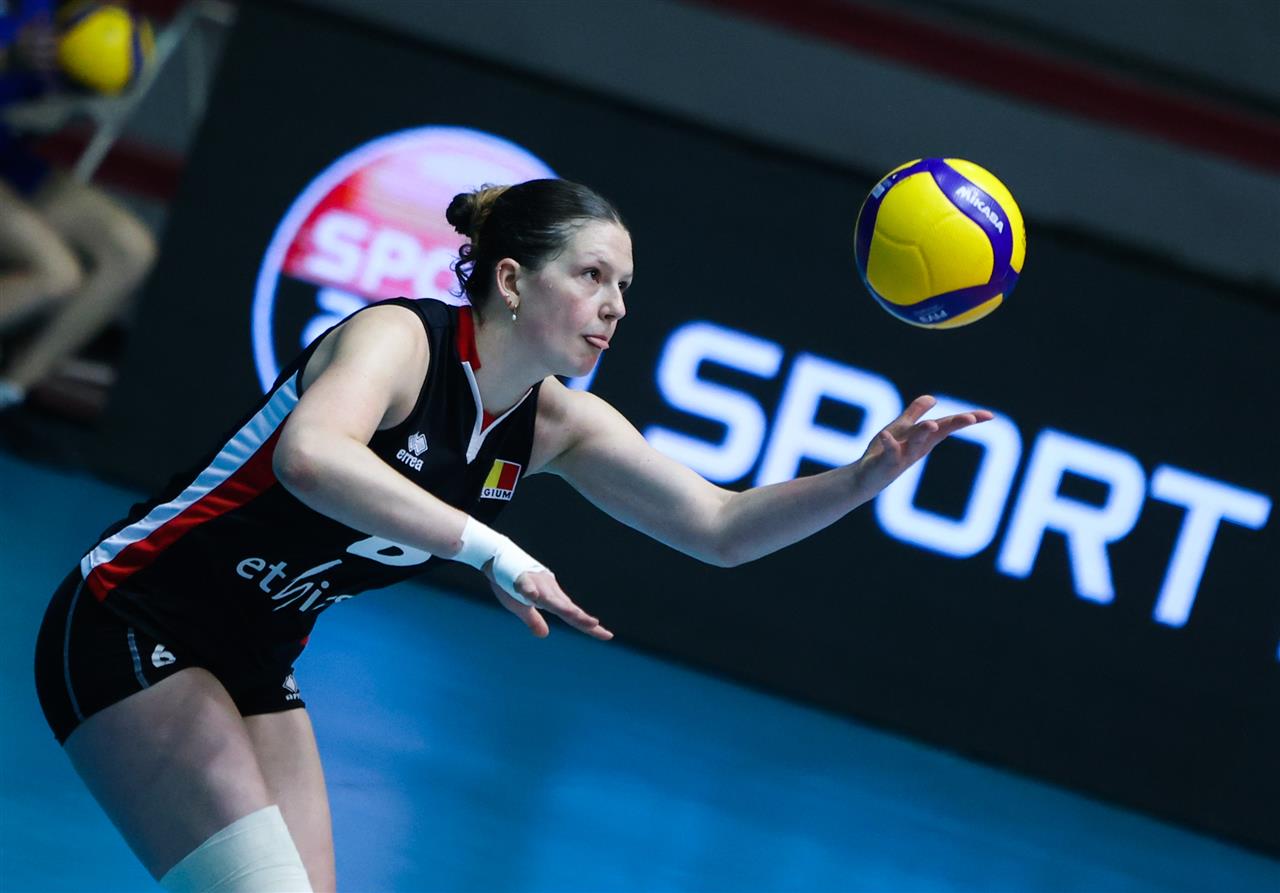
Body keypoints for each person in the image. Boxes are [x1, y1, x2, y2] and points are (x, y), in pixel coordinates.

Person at [34, 178, 992, 892]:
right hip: (130, 615)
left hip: (252, 659)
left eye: (625, 284)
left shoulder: (555, 424)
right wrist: (491, 547)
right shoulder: (399, 341)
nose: (616, 304)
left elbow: (721, 527)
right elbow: (311, 456)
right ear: (512, 280)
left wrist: (863, 479)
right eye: (592, 275)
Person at [0, 0, 157, 411]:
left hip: (8, 154)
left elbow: (51, 82)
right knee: (55, 274)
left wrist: (93, 69)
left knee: (130, 251)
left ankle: (9, 392)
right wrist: (10, 56)